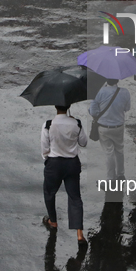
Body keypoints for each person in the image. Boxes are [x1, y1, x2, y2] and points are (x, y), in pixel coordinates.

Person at [41, 105, 88, 247]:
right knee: (75, 197)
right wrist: (76, 125)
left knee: (49, 193)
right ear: (69, 107)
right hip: (72, 164)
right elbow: (83, 143)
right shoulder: (76, 123)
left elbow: (44, 148)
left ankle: (53, 221)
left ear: (55, 106)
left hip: (54, 164)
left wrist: (48, 161)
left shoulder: (48, 124)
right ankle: (79, 233)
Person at [89, 79, 131, 181]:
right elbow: (127, 108)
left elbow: (94, 112)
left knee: (109, 152)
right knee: (119, 150)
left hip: (103, 127)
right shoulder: (125, 92)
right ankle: (120, 174)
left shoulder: (98, 92)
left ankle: (110, 178)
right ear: (117, 80)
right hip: (118, 126)